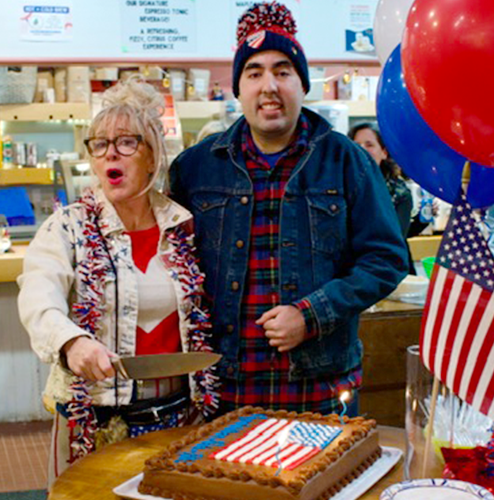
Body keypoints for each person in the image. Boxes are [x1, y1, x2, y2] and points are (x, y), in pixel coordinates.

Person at [168, 2, 407, 418]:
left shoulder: (347, 161)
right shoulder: (194, 169)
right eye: (254, 72)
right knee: (223, 483)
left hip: (322, 386)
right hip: (224, 388)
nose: (269, 86)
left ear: (302, 83)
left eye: (283, 71)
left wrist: (311, 315)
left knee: (326, 482)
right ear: (238, 88)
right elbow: (170, 270)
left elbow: (386, 260)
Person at [17, 77, 218, 487]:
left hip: (177, 415)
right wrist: (71, 341)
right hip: (93, 420)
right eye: (100, 143)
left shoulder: (184, 227)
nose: (112, 153)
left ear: (152, 156)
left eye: (127, 142)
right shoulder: (68, 227)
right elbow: (38, 294)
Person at [348, 122, 413, 239]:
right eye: (356, 145)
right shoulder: (341, 188)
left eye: (369, 145)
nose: (361, 150)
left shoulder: (399, 193)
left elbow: (397, 236)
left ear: (384, 152)